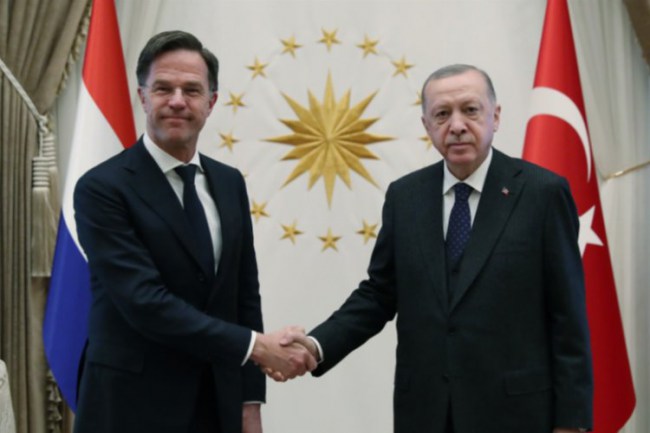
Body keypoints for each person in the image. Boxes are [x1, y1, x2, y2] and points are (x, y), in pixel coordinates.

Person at [279, 64, 593, 433]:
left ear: (495, 116)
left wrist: (571, 422)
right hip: (425, 413)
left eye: (470, 110)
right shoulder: (405, 197)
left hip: (516, 414)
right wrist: (316, 346)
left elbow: (567, 316)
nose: (456, 125)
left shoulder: (543, 193)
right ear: (427, 125)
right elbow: (379, 295)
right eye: (442, 114)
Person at [73, 30, 315, 433]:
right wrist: (257, 347)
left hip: (216, 403)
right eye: (163, 88)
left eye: (191, 90)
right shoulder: (102, 188)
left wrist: (249, 401)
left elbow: (243, 296)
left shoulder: (229, 182)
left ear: (211, 102)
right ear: (142, 97)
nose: (177, 100)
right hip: (130, 406)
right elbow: (144, 301)